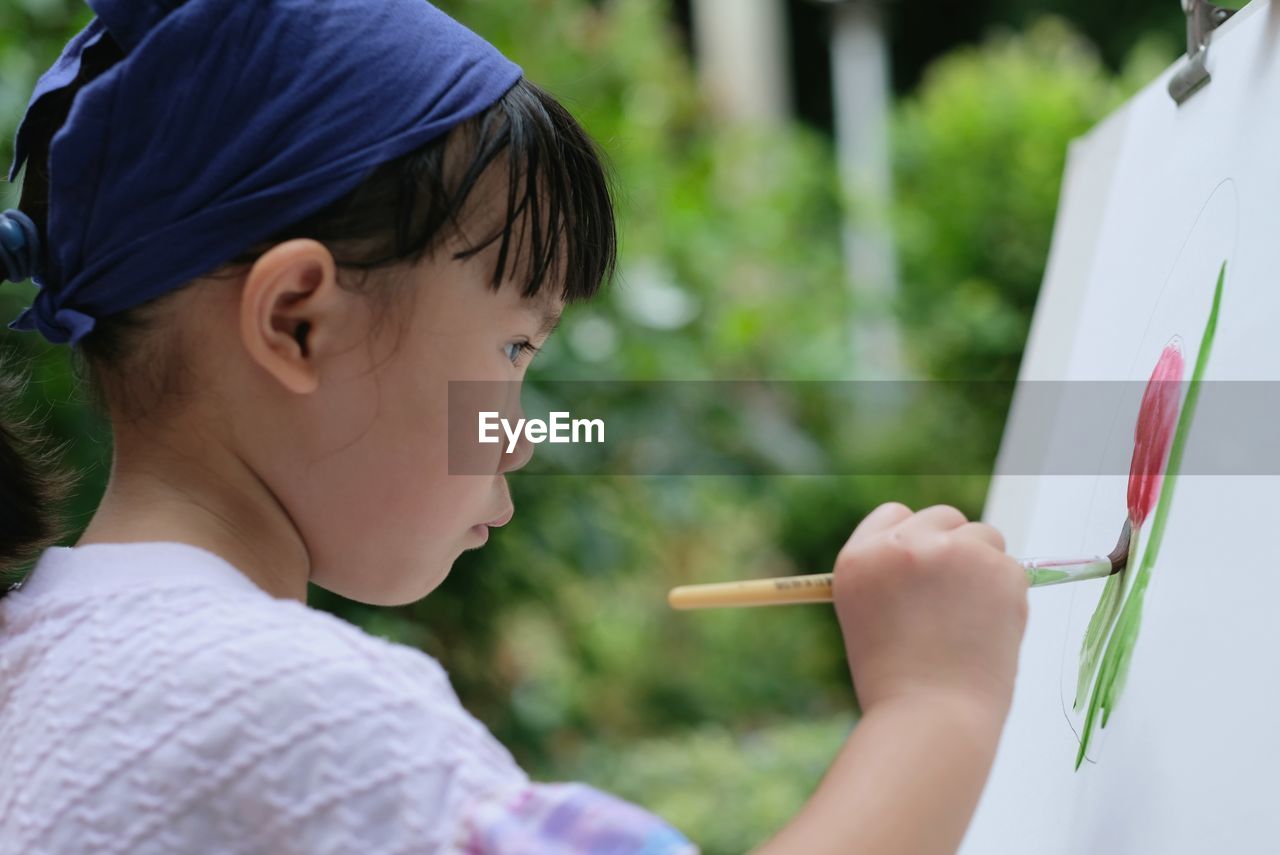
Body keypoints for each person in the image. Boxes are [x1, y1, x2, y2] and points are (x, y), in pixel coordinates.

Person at [0, 1, 1029, 852]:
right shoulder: (291, 716)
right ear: (295, 323)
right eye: (511, 351)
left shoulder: (36, 661)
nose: (524, 433)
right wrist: (934, 705)